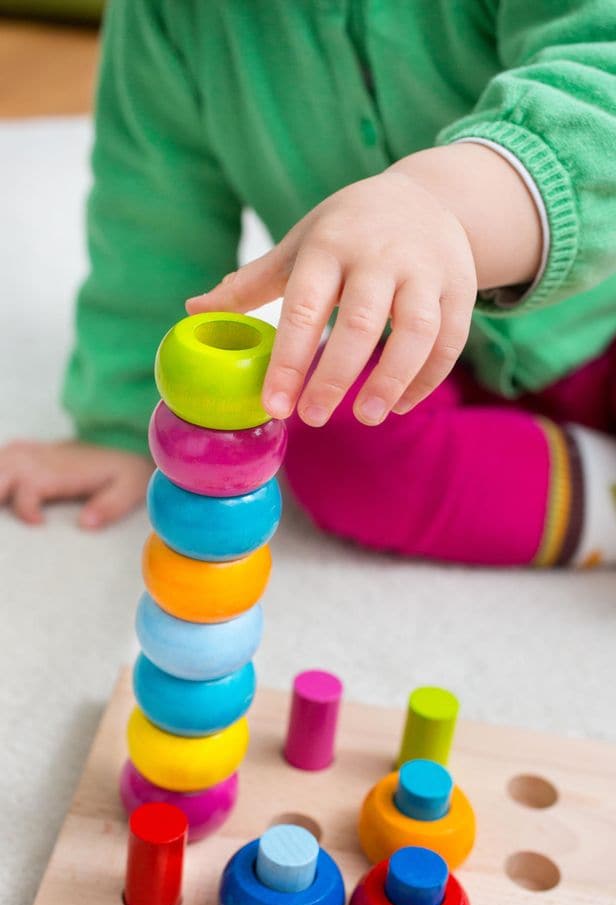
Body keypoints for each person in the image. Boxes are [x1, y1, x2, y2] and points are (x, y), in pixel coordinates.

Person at [2, 0, 615, 566]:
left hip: (603, 320)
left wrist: (445, 203)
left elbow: (601, 79)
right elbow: (150, 216)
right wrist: (126, 420)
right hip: (411, 357)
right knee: (321, 436)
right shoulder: (173, 15)